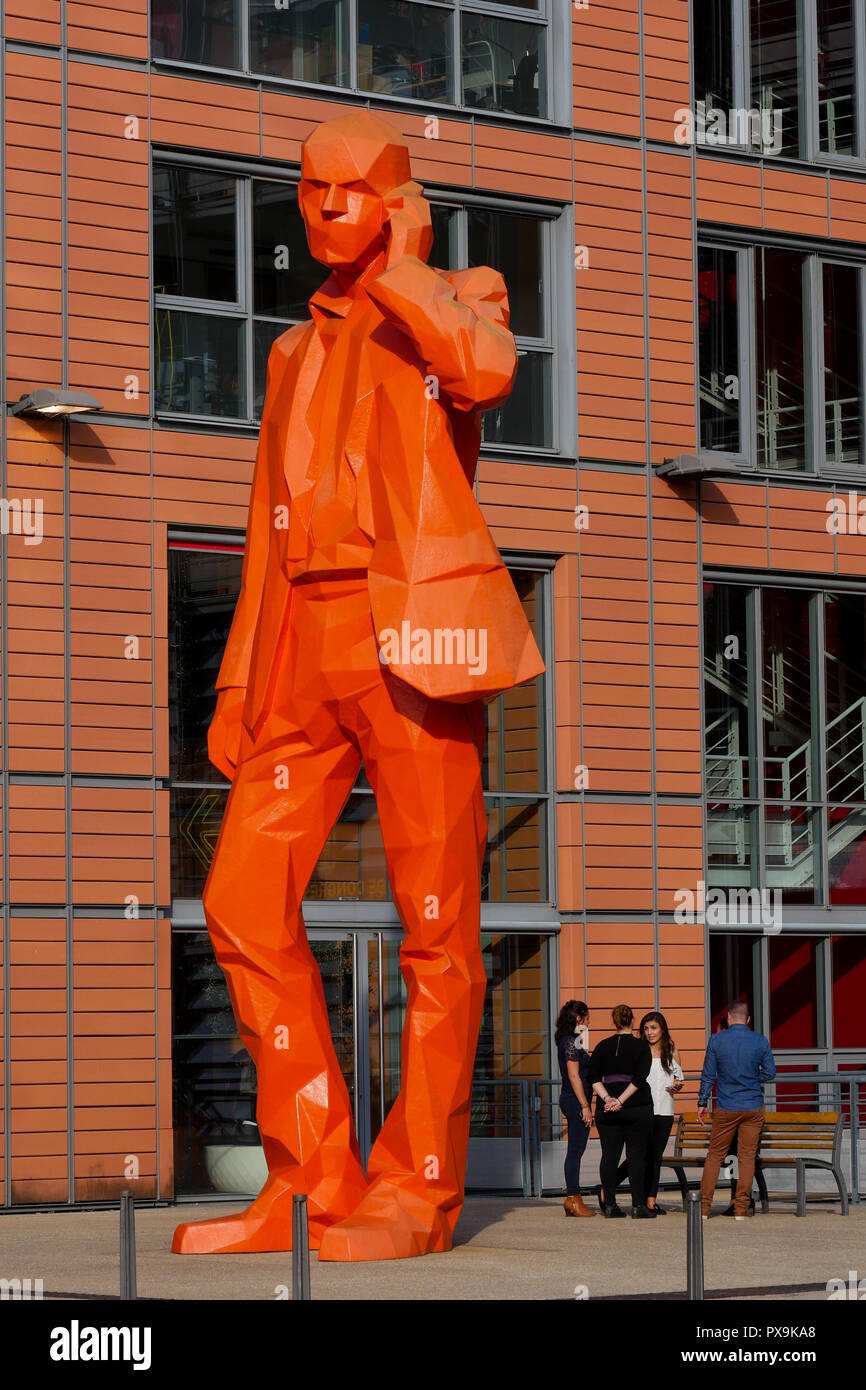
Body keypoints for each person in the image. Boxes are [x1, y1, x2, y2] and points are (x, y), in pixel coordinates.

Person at [171, 109, 544, 1263]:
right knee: (239, 902)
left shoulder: (458, 297)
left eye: (351, 188)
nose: (326, 205)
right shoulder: (289, 356)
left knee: (438, 936)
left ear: (395, 200)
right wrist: (237, 687)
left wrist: (409, 269)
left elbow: (484, 372)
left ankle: (419, 1188)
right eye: (310, 188)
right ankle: (308, 1173)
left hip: (415, 648)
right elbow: (263, 532)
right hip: (303, 649)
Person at [697, 999, 776, 1220]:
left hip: (726, 1105)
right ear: (748, 1019)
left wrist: (702, 1103)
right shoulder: (760, 1041)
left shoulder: (717, 1040)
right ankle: (741, 1210)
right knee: (747, 1157)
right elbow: (770, 1073)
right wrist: (752, 1078)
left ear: (729, 1017)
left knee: (714, 1155)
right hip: (752, 1104)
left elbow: (708, 1074)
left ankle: (703, 1208)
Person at [608, 1011, 683, 1214]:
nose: (649, 1033)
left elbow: (678, 1078)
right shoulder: (639, 1050)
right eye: (646, 1029)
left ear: (662, 1029)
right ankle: (609, 1186)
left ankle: (651, 1201)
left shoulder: (672, 1050)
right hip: (643, 1109)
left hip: (665, 1110)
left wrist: (678, 1086)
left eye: (653, 1028)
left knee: (655, 1157)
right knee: (639, 1156)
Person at [588, 1004, 656, 1218]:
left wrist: (609, 1098)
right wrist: (621, 1100)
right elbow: (639, 1078)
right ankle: (638, 1206)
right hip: (637, 1106)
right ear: (632, 1020)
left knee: (609, 1155)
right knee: (636, 1156)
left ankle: (610, 1205)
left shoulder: (601, 1046)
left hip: (606, 1108)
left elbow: (593, 1078)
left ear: (614, 1021)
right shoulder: (641, 1047)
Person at [555, 1000, 596, 1217]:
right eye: (587, 1017)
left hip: (572, 1098)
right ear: (579, 1019)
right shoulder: (571, 1041)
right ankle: (573, 1198)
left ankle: (572, 1199)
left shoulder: (571, 1040)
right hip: (575, 1099)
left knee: (575, 1151)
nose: (589, 1021)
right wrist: (585, 1105)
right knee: (575, 1152)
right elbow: (573, 1075)